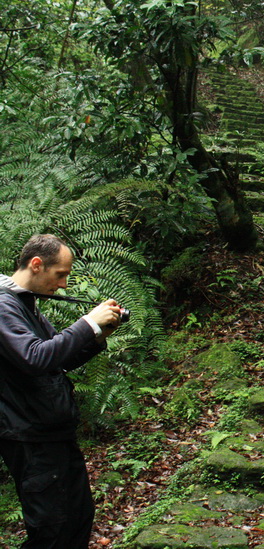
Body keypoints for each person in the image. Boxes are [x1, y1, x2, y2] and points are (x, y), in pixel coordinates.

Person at [0, 234, 122, 548]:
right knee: (51, 530)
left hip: (52, 431)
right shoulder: (3, 306)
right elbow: (35, 357)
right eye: (61, 275)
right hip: (30, 436)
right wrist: (87, 323)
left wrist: (98, 334)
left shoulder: (24, 304)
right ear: (36, 265)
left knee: (78, 516)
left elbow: (57, 360)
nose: (64, 285)